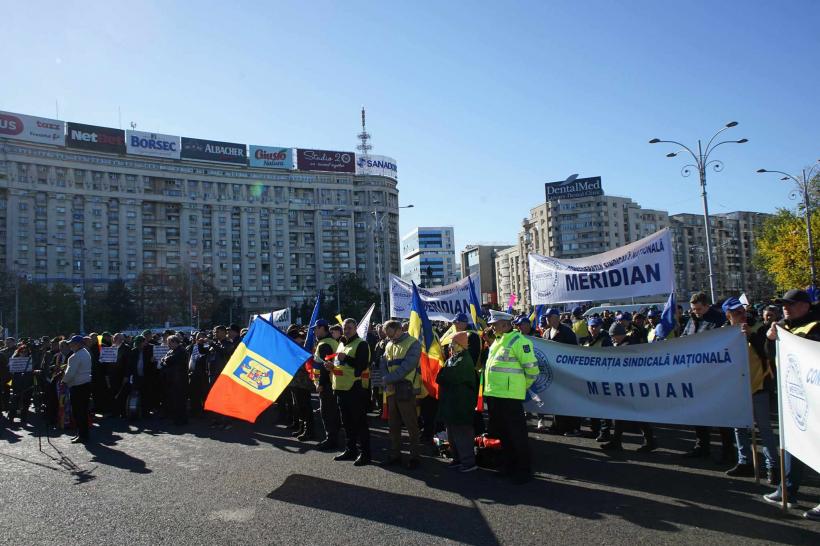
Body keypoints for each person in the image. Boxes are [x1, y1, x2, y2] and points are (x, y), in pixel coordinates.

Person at [762, 289, 820, 520]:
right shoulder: (784, 327)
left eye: (791, 304)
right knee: (794, 443)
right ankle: (787, 489)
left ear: (806, 306)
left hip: (814, 398)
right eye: (783, 304)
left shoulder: (815, 327)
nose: (785, 308)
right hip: (795, 396)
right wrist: (770, 339)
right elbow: (770, 356)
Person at [720, 297, 779, 482]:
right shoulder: (723, 333)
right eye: (736, 312)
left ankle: (773, 467)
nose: (742, 314)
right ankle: (745, 462)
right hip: (737, 388)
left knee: (764, 429)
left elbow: (767, 353)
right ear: (728, 315)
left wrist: (751, 336)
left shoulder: (759, 328)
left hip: (758, 385)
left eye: (742, 311)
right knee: (739, 427)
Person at [484, 310, 539, 484]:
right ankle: (508, 466)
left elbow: (532, 370)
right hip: (495, 394)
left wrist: (521, 387)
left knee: (517, 435)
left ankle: (523, 470)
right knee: (504, 434)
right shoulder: (498, 341)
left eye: (494, 324)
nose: (492, 327)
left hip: (510, 397)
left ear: (505, 324)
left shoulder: (519, 341)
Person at [681, 291, 732, 461]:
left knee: (721, 413)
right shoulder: (692, 320)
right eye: (693, 309)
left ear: (707, 305)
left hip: (715, 374)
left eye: (698, 309)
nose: (695, 312)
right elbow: (684, 338)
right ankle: (702, 446)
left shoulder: (719, 320)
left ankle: (728, 451)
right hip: (696, 373)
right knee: (698, 412)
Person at [599, 323, 656, 452]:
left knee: (635, 415)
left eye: (613, 336)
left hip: (630, 386)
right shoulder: (626, 344)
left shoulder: (627, 346)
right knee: (623, 415)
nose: (612, 339)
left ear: (620, 335)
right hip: (626, 385)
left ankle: (649, 441)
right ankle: (618, 441)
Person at [330, 318, 372, 466]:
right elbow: (340, 365)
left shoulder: (361, 344)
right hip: (341, 388)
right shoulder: (342, 344)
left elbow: (361, 366)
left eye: (349, 328)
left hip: (355, 389)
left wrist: (346, 358)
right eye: (345, 328)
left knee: (359, 423)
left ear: (355, 329)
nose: (346, 330)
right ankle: (350, 450)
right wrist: (331, 367)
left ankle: (365, 454)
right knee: (347, 423)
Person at [381, 319, 423, 468]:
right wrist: (386, 378)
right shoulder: (389, 344)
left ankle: (414, 457)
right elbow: (383, 363)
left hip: (406, 389)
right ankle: (395, 455)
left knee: (411, 425)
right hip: (393, 389)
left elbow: (407, 366)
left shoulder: (413, 343)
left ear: (399, 329)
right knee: (393, 425)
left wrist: (388, 379)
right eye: (387, 334)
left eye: (390, 333)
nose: (388, 337)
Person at [437, 331, 479, 472]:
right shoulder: (453, 359)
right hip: (452, 403)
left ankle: (468, 462)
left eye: (453, 343)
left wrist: (443, 374)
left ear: (461, 344)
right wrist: (443, 375)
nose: (451, 346)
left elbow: (447, 376)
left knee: (462, 433)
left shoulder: (464, 360)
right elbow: (442, 376)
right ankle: (457, 458)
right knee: (452, 432)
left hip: (461, 403)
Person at [542, 308, 580, 436]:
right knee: (556, 400)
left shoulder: (567, 332)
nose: (547, 319)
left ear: (557, 318)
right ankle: (558, 425)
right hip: (553, 371)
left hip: (566, 371)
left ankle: (573, 427)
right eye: (547, 317)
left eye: (550, 316)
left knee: (568, 400)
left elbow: (574, 350)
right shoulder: (546, 333)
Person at [312, 320, 342, 450]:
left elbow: (325, 367)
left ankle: (331, 440)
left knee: (327, 412)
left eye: (315, 329)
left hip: (327, 384)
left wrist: (321, 384)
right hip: (334, 382)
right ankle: (333, 438)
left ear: (322, 328)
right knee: (333, 412)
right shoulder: (333, 342)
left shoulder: (324, 344)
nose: (314, 331)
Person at [583, 317, 613, 442]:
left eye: (596, 326)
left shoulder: (605, 340)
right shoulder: (585, 340)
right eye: (592, 326)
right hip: (589, 378)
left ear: (600, 327)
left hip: (602, 377)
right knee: (592, 405)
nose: (594, 328)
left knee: (603, 406)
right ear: (588, 327)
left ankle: (605, 432)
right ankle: (594, 430)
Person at [287, 325, 315, 441]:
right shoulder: (293, 349)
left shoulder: (304, 349)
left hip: (303, 383)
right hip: (295, 383)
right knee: (298, 406)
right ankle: (302, 428)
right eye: (298, 337)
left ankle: (309, 431)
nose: (300, 339)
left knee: (305, 407)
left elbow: (307, 366)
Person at [63, 335, 92, 443]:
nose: (70, 345)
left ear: (78, 344)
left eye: (72, 343)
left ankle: (82, 435)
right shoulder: (85, 353)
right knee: (83, 411)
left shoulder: (75, 356)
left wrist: (64, 381)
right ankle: (83, 434)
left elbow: (70, 373)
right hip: (85, 384)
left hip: (77, 385)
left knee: (78, 412)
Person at [158, 335, 188, 426]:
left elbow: (169, 360)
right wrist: (165, 360)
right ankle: (175, 418)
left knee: (180, 400)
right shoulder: (171, 351)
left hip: (179, 379)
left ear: (175, 342)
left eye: (169, 343)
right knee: (173, 399)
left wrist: (165, 360)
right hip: (171, 378)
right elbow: (163, 361)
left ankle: (181, 419)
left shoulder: (182, 350)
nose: (168, 345)